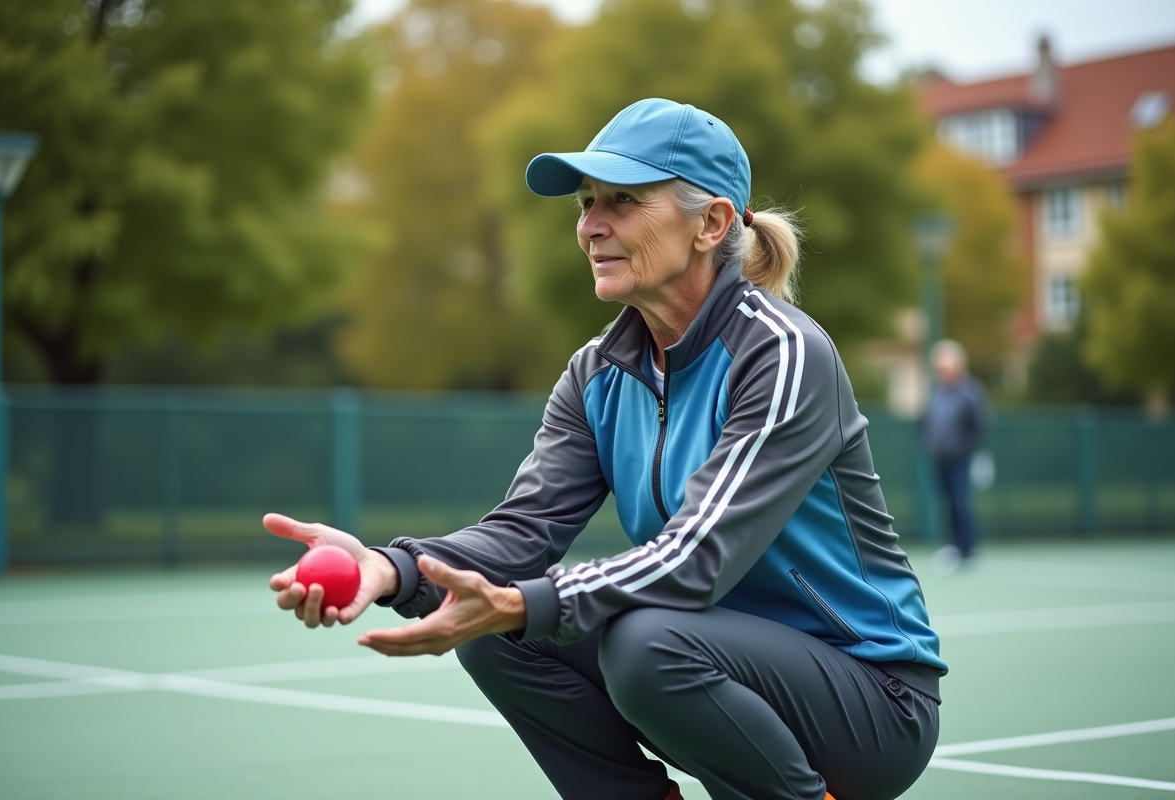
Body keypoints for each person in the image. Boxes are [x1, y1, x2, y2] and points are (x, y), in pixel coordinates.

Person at [265, 98, 945, 800]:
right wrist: (391, 568)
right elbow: (523, 531)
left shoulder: (783, 352)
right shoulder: (597, 371)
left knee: (642, 644)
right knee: (498, 634)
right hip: (708, 657)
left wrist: (530, 600)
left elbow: (697, 557)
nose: (591, 226)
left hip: (873, 699)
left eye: (622, 201)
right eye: (587, 204)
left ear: (710, 224)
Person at [922, 339, 988, 572]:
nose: (941, 372)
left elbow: (980, 426)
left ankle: (968, 550)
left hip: (960, 460)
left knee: (961, 503)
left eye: (945, 368)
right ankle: (955, 548)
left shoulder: (970, 392)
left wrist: (961, 448)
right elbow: (927, 421)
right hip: (940, 459)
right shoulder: (937, 392)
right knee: (948, 504)